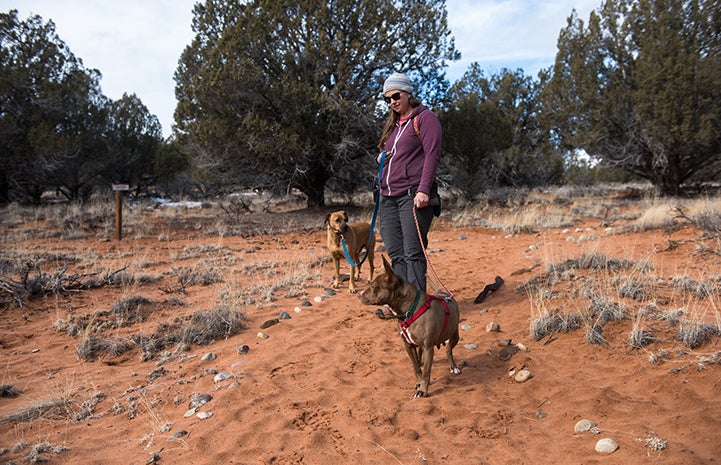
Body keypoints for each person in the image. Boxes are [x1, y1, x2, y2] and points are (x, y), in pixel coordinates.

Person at [376, 72, 442, 295]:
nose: (392, 101)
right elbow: (394, 153)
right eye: (387, 99)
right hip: (388, 197)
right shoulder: (394, 126)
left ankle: (417, 307)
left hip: (412, 195)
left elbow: (432, 155)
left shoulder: (425, 119)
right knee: (396, 252)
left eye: (396, 95)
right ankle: (402, 303)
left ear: (408, 93)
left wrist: (423, 190)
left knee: (413, 252)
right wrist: (383, 157)